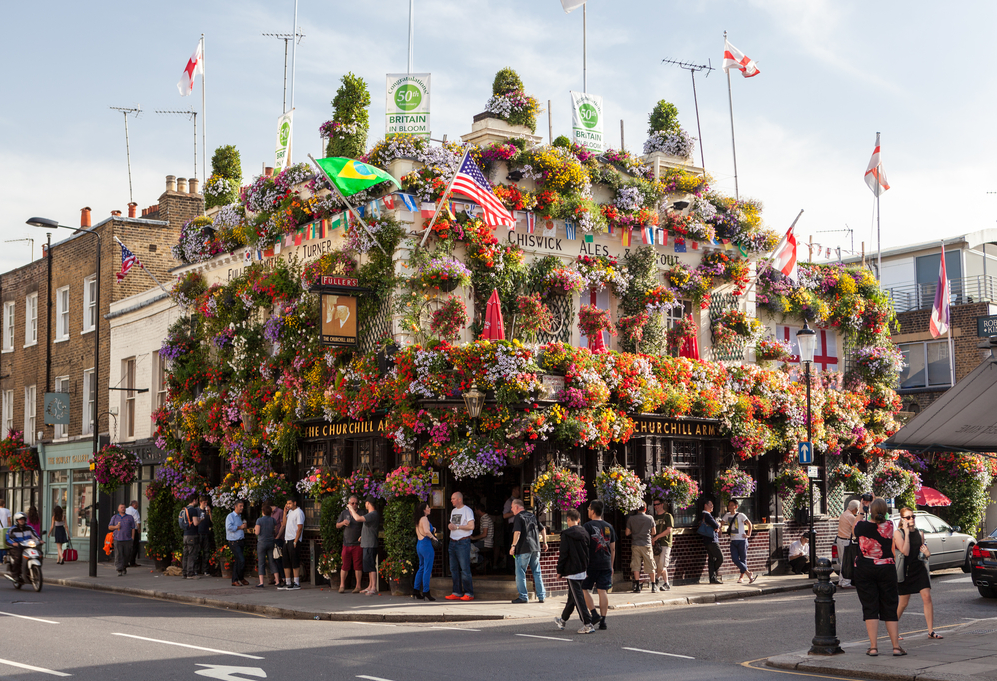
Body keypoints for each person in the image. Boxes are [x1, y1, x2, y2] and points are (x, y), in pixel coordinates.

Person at [854, 498, 908, 657]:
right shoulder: (889, 526)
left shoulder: (861, 526)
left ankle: (873, 648)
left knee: (870, 607)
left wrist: (862, 508)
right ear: (885, 511)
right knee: (890, 606)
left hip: (865, 569)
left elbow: (853, 530)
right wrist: (876, 502)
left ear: (870, 511)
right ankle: (896, 647)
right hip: (886, 569)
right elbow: (880, 515)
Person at [896, 507, 943, 640]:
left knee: (927, 597)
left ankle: (930, 631)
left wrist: (927, 554)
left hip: (919, 568)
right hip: (906, 571)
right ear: (902, 519)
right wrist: (906, 532)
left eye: (913, 516)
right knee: (903, 603)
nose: (911, 519)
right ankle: (893, 629)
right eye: (908, 517)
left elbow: (923, 553)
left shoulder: (920, 533)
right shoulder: (898, 533)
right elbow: (905, 551)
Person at [554, 508, 594, 634]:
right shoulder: (585, 532)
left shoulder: (566, 534)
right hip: (583, 568)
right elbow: (589, 551)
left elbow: (563, 554)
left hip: (571, 570)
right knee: (573, 597)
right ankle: (562, 620)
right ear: (579, 520)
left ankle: (588, 624)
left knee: (578, 598)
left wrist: (559, 570)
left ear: (568, 519)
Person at [583, 499, 617, 631]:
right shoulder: (609, 527)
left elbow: (584, 546)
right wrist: (611, 565)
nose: (588, 511)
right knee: (602, 591)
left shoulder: (587, 526)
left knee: (584, 588)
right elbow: (613, 549)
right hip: (606, 563)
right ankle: (603, 621)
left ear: (592, 511)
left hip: (591, 564)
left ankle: (594, 614)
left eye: (588, 509)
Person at [509, 499, 547, 604]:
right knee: (537, 572)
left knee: (520, 573)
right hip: (536, 548)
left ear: (516, 507)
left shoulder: (518, 517)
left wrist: (513, 546)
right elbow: (543, 529)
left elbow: (517, 532)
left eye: (512, 507)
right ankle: (541, 596)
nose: (511, 510)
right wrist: (545, 542)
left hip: (523, 548)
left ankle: (523, 597)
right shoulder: (532, 516)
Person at [446, 491, 475, 601]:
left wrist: (457, 527)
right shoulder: (453, 511)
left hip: (463, 542)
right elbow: (452, 524)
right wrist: (450, 526)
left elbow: (471, 526)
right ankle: (456, 592)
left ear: (459, 499)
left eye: (453, 498)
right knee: (453, 568)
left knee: (464, 568)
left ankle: (469, 593)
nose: (451, 500)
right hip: (453, 541)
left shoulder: (467, 510)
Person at [349, 496, 380, 596]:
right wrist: (363, 536)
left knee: (371, 565)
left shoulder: (373, 514)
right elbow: (369, 528)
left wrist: (351, 509)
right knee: (368, 565)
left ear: (368, 503)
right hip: (366, 542)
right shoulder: (370, 515)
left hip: (370, 543)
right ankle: (370, 586)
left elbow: (358, 518)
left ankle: (373, 587)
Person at [723, 499, 756, 584]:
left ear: (736, 507)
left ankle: (741, 577)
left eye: (732, 505)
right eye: (729, 505)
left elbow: (749, 524)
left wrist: (748, 534)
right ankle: (748, 573)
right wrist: (718, 528)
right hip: (733, 540)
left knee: (743, 559)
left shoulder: (741, 515)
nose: (729, 507)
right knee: (734, 559)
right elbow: (721, 523)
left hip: (742, 540)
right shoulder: (727, 515)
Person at [626, 501, 657, 592]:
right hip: (646, 544)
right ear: (645, 509)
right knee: (650, 564)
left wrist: (634, 532)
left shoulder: (631, 519)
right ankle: (653, 585)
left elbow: (627, 533)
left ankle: (637, 586)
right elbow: (654, 532)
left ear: (637, 509)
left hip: (635, 544)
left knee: (636, 565)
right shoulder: (650, 518)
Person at [336, 495, 364, 593]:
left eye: (356, 503)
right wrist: (342, 523)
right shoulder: (344, 513)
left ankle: (358, 586)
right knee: (345, 565)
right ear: (348, 504)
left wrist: (362, 536)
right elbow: (337, 525)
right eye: (352, 503)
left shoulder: (361, 513)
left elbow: (365, 526)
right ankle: (342, 585)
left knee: (358, 565)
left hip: (357, 543)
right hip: (346, 543)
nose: (354, 505)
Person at [5, 512, 41, 585]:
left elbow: (35, 536)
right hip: (17, 547)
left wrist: (39, 540)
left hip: (28, 546)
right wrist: (14, 543)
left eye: (23, 519)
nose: (22, 521)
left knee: (39, 554)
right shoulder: (12, 529)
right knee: (18, 556)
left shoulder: (29, 528)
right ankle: (15, 575)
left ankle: (34, 571)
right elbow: (8, 539)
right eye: (20, 519)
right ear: (16, 520)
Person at [279, 497, 305, 591]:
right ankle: (288, 581)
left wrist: (295, 541)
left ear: (295, 503)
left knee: (295, 561)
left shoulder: (299, 512)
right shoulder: (290, 512)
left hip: (294, 539)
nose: (288, 505)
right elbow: (284, 524)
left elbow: (300, 527)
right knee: (286, 561)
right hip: (287, 539)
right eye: (287, 504)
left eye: (290, 503)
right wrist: (284, 513)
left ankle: (296, 582)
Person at [252, 503, 280, 588]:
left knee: (261, 562)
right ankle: (277, 581)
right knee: (272, 561)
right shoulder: (273, 520)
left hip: (262, 543)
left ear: (263, 512)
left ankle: (261, 582)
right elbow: (275, 531)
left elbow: (257, 532)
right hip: (271, 542)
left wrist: (254, 530)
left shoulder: (259, 520)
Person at [414, 501, 437, 601]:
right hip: (426, 545)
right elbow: (427, 531)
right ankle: (426, 591)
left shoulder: (418, 519)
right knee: (427, 568)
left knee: (421, 567)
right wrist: (433, 538)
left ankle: (416, 590)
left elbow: (423, 530)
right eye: (428, 507)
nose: (429, 509)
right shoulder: (424, 518)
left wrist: (432, 529)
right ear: (424, 510)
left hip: (419, 544)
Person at [837, 500, 860, 588]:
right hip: (846, 541)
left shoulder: (844, 514)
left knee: (843, 562)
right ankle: (846, 582)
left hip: (840, 539)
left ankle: (841, 581)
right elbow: (856, 529)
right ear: (855, 509)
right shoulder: (851, 517)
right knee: (848, 562)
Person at [651, 498, 673, 591]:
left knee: (662, 564)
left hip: (665, 543)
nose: (656, 506)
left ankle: (656, 580)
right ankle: (666, 583)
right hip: (656, 545)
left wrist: (657, 537)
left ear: (662, 504)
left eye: (657, 504)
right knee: (658, 564)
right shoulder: (654, 518)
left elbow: (669, 530)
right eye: (654, 505)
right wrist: (653, 539)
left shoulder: (668, 516)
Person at [108, 503, 135, 577]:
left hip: (127, 539)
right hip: (118, 539)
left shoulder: (130, 517)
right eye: (121, 507)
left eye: (124, 507)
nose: (123, 508)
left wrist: (132, 537)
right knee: (119, 555)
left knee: (127, 555)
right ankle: (119, 569)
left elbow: (133, 528)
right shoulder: (115, 517)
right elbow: (110, 527)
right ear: (118, 509)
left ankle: (124, 566)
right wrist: (116, 527)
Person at [225, 500, 248, 587]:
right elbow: (229, 527)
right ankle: (238, 578)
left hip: (240, 540)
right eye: (240, 506)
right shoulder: (230, 516)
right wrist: (240, 527)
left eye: (243, 506)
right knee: (241, 560)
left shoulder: (240, 517)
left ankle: (237, 579)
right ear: (236, 506)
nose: (242, 508)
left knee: (238, 561)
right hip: (234, 542)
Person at [700, 499, 723, 583]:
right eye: (710, 505)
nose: (712, 506)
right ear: (705, 505)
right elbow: (716, 525)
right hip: (712, 540)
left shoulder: (704, 515)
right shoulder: (707, 515)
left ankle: (712, 578)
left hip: (707, 540)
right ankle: (713, 573)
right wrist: (719, 524)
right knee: (720, 558)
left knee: (712, 559)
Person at [181, 495, 202, 579]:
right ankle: (190, 573)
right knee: (191, 554)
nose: (197, 501)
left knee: (185, 554)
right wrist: (201, 519)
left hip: (185, 534)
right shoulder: (193, 510)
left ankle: (184, 573)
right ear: (194, 500)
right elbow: (195, 523)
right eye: (197, 500)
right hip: (192, 534)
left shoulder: (184, 509)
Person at [470, 502, 494, 570]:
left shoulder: (485, 519)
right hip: (486, 542)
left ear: (479, 510)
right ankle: (482, 561)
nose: (475, 512)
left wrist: (473, 538)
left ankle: (480, 561)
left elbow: (484, 534)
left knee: (469, 547)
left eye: (475, 510)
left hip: (485, 543)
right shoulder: (485, 518)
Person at [501, 486, 521, 567]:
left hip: (519, 525)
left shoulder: (520, 501)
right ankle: (511, 566)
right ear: (514, 490)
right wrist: (515, 512)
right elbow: (504, 515)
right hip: (512, 526)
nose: (520, 491)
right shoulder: (509, 502)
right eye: (518, 489)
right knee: (512, 545)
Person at [196, 495, 214, 576]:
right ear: (200, 502)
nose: (205, 504)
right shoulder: (197, 510)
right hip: (199, 532)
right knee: (198, 551)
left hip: (206, 532)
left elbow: (212, 520)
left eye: (206, 503)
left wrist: (210, 513)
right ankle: (197, 569)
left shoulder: (207, 510)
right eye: (204, 503)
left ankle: (205, 570)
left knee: (206, 551)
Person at [125, 500, 141, 567]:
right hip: (133, 530)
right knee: (135, 546)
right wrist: (139, 528)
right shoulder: (135, 511)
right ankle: (132, 561)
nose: (137, 506)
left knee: (126, 546)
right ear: (133, 505)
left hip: (126, 530)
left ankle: (126, 562)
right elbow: (138, 521)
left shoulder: (125, 510)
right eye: (137, 505)